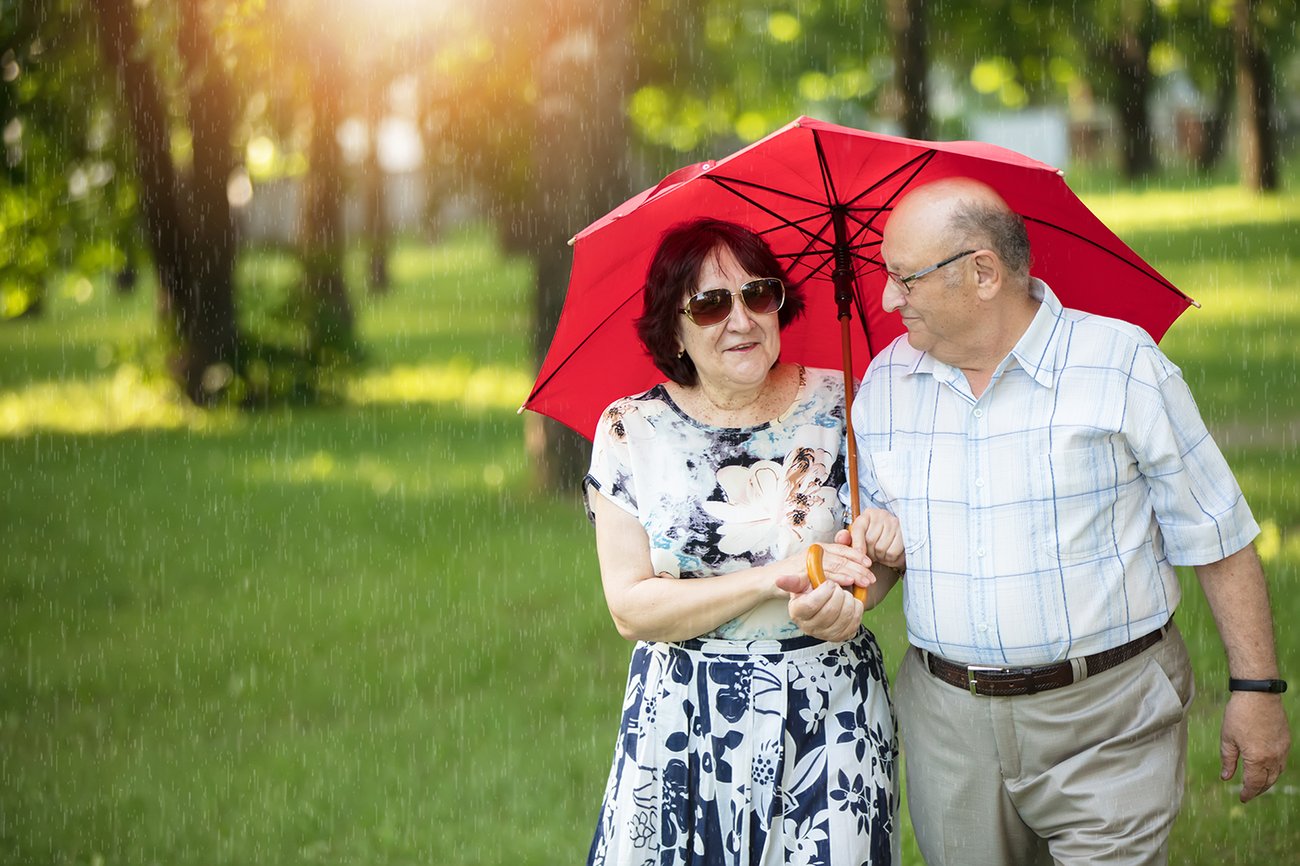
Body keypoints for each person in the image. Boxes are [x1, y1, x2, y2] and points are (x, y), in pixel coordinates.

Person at [781, 177, 1291, 865]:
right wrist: (851, 592)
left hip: (1108, 712)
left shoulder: (1120, 365)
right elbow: (888, 551)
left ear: (983, 272)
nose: (887, 298)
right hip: (949, 724)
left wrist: (1256, 690)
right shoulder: (884, 384)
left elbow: (1218, 535)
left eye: (904, 277)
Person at [583, 218, 903, 865]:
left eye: (759, 294)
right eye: (709, 304)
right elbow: (632, 608)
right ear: (672, 327)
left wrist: (861, 592)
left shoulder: (844, 402)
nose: (741, 320)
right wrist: (768, 579)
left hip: (829, 710)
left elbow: (874, 565)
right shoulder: (629, 430)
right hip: (684, 716)